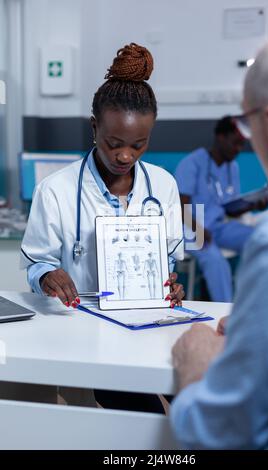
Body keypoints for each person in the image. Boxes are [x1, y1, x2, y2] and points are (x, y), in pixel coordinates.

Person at [21, 43, 185, 412]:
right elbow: (38, 263)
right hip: (86, 332)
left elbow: (169, 262)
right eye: (114, 144)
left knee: (194, 394)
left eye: (138, 145)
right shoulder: (56, 190)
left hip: (150, 329)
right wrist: (48, 275)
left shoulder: (163, 186)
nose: (125, 156)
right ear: (94, 128)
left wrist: (171, 284)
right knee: (142, 412)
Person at [170, 28, 268, 449]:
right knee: (209, 255)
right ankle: (226, 308)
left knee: (247, 240)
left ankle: (232, 313)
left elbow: (224, 430)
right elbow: (186, 202)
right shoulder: (195, 162)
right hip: (198, 225)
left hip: (223, 221)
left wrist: (195, 360)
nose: (242, 146)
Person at [175, 116, 267, 302]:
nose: (238, 150)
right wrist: (198, 228)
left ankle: (261, 302)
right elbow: (178, 205)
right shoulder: (192, 163)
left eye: (242, 145)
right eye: (235, 143)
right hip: (190, 228)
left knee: (260, 238)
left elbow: (230, 209)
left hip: (217, 227)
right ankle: (226, 315)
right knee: (217, 262)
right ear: (220, 137)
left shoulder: (232, 167)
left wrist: (253, 205)